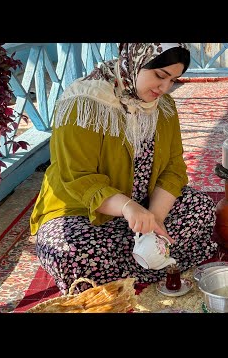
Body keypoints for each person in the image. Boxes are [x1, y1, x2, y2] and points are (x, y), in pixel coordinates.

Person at [30, 43, 218, 294]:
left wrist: (155, 218)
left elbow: (174, 168)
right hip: (84, 212)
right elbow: (78, 177)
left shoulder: (164, 106)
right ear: (135, 60)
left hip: (143, 209)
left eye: (173, 80)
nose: (165, 88)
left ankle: (129, 267)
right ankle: (146, 264)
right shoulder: (85, 103)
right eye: (160, 76)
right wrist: (128, 208)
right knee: (72, 251)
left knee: (202, 208)